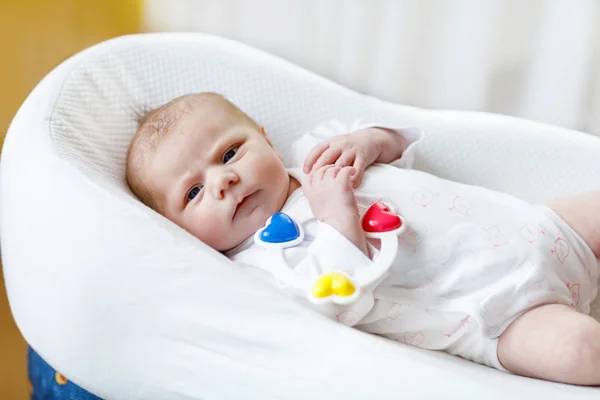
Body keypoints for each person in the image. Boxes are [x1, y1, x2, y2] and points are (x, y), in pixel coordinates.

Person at [126, 92, 600, 385]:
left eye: (230, 151)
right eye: (192, 192)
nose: (223, 180)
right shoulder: (262, 267)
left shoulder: (317, 154)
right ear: (179, 230)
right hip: (495, 316)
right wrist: (336, 218)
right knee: (578, 351)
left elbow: (402, 140)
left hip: (539, 227)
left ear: (265, 138)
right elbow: (334, 303)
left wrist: (369, 141)